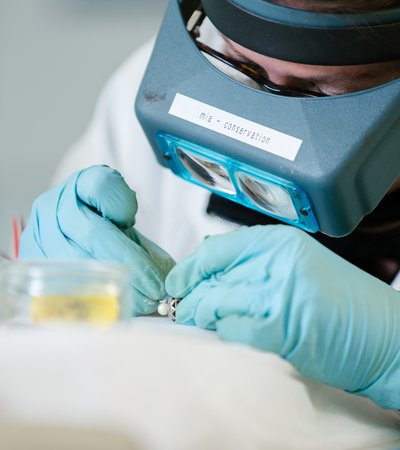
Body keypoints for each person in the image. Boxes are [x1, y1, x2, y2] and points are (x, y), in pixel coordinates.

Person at [20, 0, 400, 411]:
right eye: (242, 66)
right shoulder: (170, 80)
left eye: (323, 92)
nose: (269, 120)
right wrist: (51, 293)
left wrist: (390, 361)